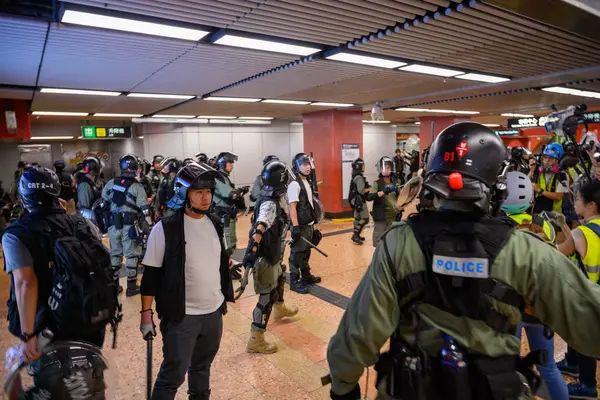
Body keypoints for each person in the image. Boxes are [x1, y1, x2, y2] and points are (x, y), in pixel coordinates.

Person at [326, 122, 600, 400]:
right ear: (497, 182)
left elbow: (358, 333)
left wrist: (343, 386)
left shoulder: (399, 243)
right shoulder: (525, 252)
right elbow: (591, 320)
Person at [139, 162, 234, 400]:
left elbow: (215, 258)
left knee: (202, 368)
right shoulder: (165, 229)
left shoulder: (214, 223)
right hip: (182, 316)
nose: (206, 198)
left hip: (213, 312)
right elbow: (150, 276)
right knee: (173, 374)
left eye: (209, 192)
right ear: (184, 194)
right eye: (199, 192)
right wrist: (146, 314)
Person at [501, 171, 566, 400]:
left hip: (510, 305)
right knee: (548, 367)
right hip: (541, 304)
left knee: (509, 366)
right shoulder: (544, 224)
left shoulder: (498, 226)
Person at [243, 160, 299, 354]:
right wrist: (252, 248)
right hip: (266, 256)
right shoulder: (269, 203)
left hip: (273, 252)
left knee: (280, 277)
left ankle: (280, 308)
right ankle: (255, 339)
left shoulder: (269, 195)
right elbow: (261, 224)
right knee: (266, 297)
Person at [552, 179, 600, 399]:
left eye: (578, 198)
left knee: (583, 335)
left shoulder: (583, 233)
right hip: (596, 291)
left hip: (586, 294)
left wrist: (552, 231)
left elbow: (558, 252)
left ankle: (588, 386)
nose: (575, 202)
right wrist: (564, 224)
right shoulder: (588, 230)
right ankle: (571, 363)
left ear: (591, 205)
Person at [102, 154, 153, 297]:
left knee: (115, 254)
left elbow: (103, 204)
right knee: (131, 255)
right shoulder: (138, 186)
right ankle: (131, 287)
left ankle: (114, 286)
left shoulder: (110, 183)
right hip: (130, 226)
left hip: (113, 225)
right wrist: (149, 226)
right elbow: (144, 209)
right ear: (136, 167)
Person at [288, 153, 322, 294]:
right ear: (297, 166)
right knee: (297, 253)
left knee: (306, 251)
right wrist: (295, 227)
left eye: (308, 164)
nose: (307, 167)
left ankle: (306, 276)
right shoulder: (294, 185)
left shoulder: (307, 182)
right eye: (304, 164)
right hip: (300, 226)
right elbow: (292, 207)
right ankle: (294, 281)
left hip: (308, 224)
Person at [213, 152, 248, 259]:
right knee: (228, 243)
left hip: (226, 213)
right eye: (230, 163)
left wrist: (239, 191)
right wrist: (239, 192)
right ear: (223, 164)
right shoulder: (219, 177)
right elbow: (230, 194)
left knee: (229, 241)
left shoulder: (223, 177)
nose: (232, 165)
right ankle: (227, 268)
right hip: (224, 214)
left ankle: (229, 266)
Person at [366, 156, 400, 248]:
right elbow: (369, 197)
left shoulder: (395, 182)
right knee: (379, 243)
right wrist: (384, 192)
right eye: (383, 168)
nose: (386, 170)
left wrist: (400, 209)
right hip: (381, 217)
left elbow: (399, 199)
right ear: (380, 169)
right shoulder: (377, 183)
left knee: (391, 242)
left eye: (388, 167)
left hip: (393, 217)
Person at [530, 143, 569, 214]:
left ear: (557, 160)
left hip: (554, 216)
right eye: (545, 157)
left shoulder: (563, 175)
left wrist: (540, 190)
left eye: (550, 158)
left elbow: (558, 197)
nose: (546, 161)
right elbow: (525, 184)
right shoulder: (538, 172)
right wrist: (531, 170)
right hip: (537, 212)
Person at [348, 157, 370, 245]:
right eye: (363, 165)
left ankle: (356, 235)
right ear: (359, 166)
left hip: (354, 200)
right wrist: (370, 189)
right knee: (365, 218)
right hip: (359, 200)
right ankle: (356, 234)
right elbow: (361, 190)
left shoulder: (355, 175)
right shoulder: (359, 178)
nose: (364, 166)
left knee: (357, 218)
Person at [76, 156, 103, 222]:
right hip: (90, 221)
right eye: (100, 167)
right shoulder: (84, 185)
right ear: (96, 169)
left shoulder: (90, 183)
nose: (101, 169)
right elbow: (85, 209)